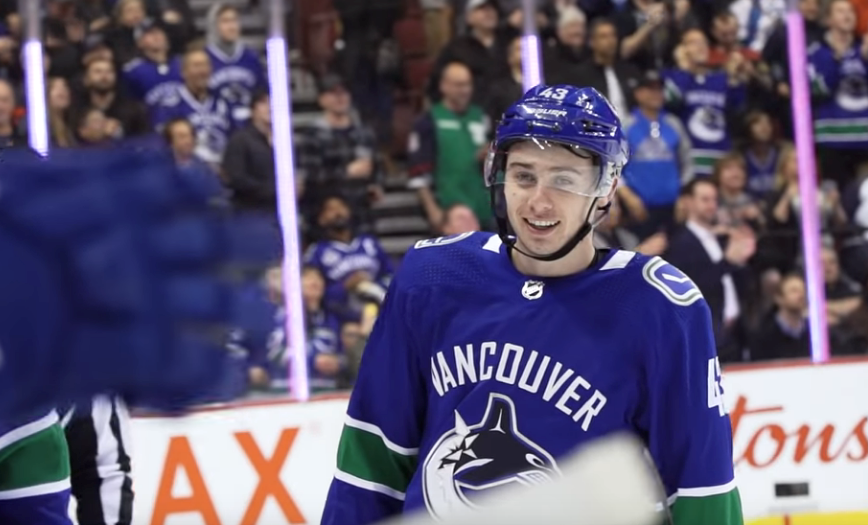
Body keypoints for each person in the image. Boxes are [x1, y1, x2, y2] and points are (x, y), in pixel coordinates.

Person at [321, 85, 743, 525]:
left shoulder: (660, 308)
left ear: (606, 187)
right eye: (524, 176)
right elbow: (372, 466)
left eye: (564, 180)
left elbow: (702, 487)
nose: (538, 201)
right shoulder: (432, 277)